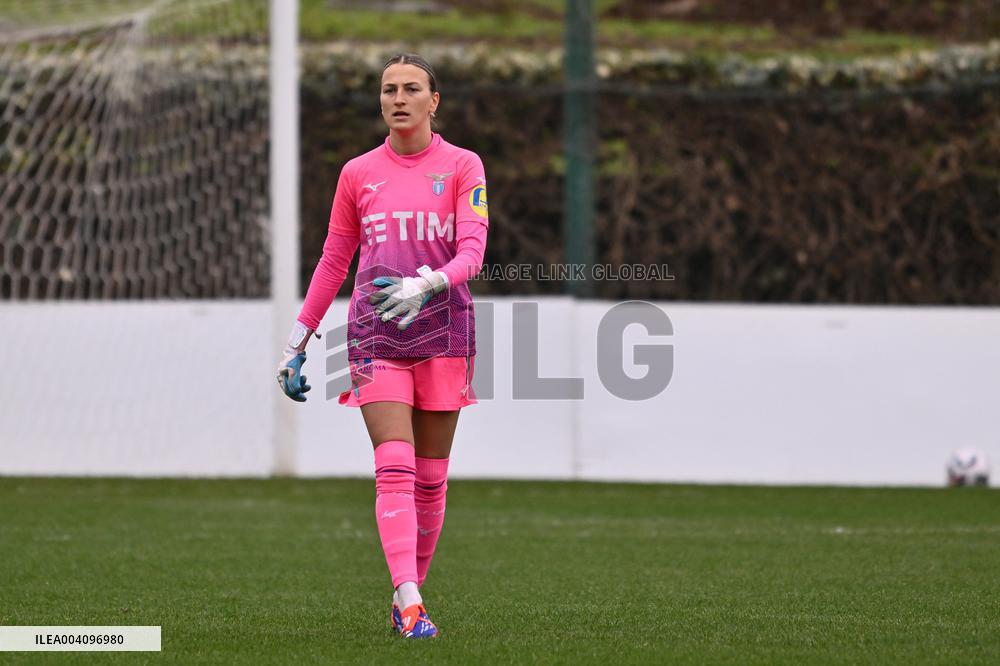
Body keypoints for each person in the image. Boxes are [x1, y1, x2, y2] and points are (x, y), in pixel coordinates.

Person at [275, 53, 488, 640]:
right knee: (392, 464)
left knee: (430, 477)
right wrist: (298, 341)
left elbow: (473, 252)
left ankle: (406, 596)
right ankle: (410, 597)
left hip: (444, 330)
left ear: (433, 100)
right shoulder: (357, 173)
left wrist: (427, 282)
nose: (398, 98)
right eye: (388, 88)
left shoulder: (464, 166)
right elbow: (334, 259)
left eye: (411, 88)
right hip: (374, 333)